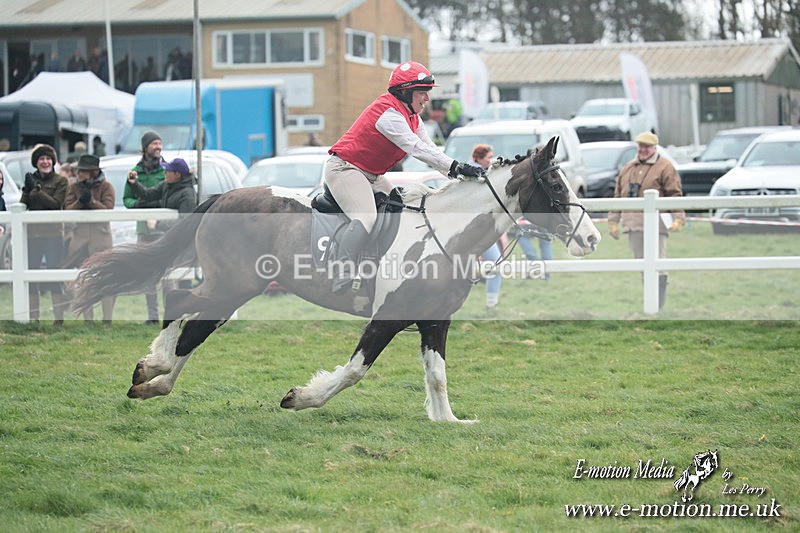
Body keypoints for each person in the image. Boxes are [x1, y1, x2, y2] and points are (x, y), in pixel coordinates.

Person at [325, 60, 482, 294]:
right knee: (366, 218)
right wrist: (458, 166)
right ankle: (342, 273)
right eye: (422, 92)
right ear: (405, 93)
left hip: (371, 174)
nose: (427, 99)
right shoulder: (388, 114)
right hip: (345, 169)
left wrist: (456, 175)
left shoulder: (412, 117)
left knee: (403, 212)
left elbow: (431, 151)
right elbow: (416, 149)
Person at [608, 131, 685, 309]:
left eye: (647, 147)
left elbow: (675, 194)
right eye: (640, 146)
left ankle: (658, 307)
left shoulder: (666, 166)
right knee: (642, 266)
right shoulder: (627, 167)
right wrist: (613, 220)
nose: (643, 150)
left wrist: (678, 217)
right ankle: (650, 303)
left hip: (657, 226)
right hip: (632, 226)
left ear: (654, 148)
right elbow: (618, 196)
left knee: (658, 265)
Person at [127, 157, 197, 292]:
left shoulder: (187, 194)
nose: (165, 173)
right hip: (171, 239)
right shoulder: (166, 185)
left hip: (184, 244)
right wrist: (134, 184)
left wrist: (158, 224)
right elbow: (148, 194)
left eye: (168, 171)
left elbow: (184, 221)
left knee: (183, 280)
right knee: (170, 277)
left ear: (177, 175)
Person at [63, 154, 116, 324]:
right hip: (80, 238)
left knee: (107, 277)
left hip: (100, 238)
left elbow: (108, 208)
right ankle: (88, 319)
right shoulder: (73, 187)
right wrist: (80, 201)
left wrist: (92, 201)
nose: (79, 173)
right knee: (80, 279)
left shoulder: (107, 186)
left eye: (83, 171)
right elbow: (67, 208)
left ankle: (107, 319)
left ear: (92, 172)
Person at [20, 144, 69, 325]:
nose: (45, 162)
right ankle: (34, 317)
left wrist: (38, 192)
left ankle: (59, 318)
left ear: (53, 161)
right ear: (36, 162)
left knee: (54, 274)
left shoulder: (61, 181)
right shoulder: (32, 180)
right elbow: (23, 204)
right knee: (32, 274)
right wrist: (27, 189)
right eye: (41, 159)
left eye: (48, 158)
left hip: (53, 234)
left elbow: (56, 204)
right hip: (33, 235)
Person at [123, 130, 166, 324]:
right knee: (148, 275)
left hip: (164, 230)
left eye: (159, 143)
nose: (158, 147)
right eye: (154, 143)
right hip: (144, 231)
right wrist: (138, 206)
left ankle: (172, 315)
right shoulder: (134, 172)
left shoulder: (167, 171)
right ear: (145, 147)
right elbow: (127, 199)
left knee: (168, 274)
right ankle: (153, 316)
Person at [466, 144, 503, 308]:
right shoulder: (474, 175)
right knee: (495, 263)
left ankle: (491, 305)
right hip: (474, 230)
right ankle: (491, 304)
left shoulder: (481, 173)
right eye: (488, 157)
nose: (491, 160)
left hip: (478, 229)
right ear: (478, 158)